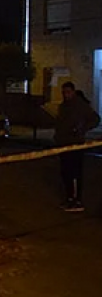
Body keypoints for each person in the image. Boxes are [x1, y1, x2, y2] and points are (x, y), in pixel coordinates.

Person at [55, 82, 100, 212]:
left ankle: (76, 200)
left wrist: (82, 129)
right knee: (65, 173)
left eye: (68, 92)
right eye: (64, 92)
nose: (66, 95)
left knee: (74, 173)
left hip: (75, 144)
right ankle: (69, 198)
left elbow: (95, 119)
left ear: (73, 92)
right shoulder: (63, 106)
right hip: (63, 143)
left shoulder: (80, 106)